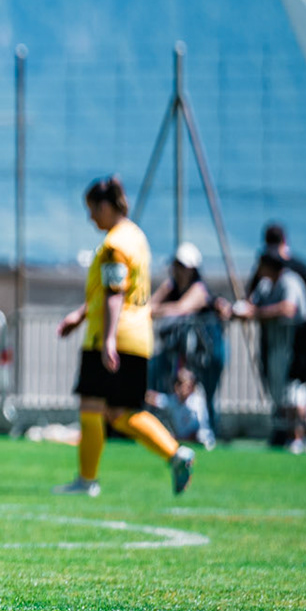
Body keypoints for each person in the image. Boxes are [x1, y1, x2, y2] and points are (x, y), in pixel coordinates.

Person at [53, 176, 195, 497]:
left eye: (92, 210)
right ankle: (175, 453)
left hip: (112, 336)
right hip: (138, 336)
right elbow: (115, 291)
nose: (91, 218)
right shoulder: (136, 237)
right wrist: (80, 314)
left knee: (91, 407)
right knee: (121, 413)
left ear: (105, 205)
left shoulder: (116, 244)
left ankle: (86, 480)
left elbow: (115, 294)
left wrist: (107, 339)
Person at [236, 249, 306, 453]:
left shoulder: (290, 281)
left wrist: (256, 313)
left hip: (297, 346)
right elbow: (252, 304)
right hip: (275, 347)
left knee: (295, 395)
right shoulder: (265, 285)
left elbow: (288, 309)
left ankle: (304, 436)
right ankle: (297, 436)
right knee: (281, 395)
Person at [149, 242, 227, 429]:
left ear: (193, 270)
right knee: (172, 389)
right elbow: (150, 306)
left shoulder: (199, 289)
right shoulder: (172, 286)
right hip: (185, 352)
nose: (179, 271)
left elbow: (180, 309)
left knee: (206, 395)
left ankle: (208, 433)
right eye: (176, 266)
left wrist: (157, 310)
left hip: (209, 351)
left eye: (183, 267)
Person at [150, 366, 215, 450]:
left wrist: (178, 438)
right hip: (182, 442)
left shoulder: (197, 403)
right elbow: (156, 398)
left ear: (191, 386)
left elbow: (199, 432)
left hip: (201, 444)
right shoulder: (173, 400)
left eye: (182, 384)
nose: (180, 387)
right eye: (178, 383)